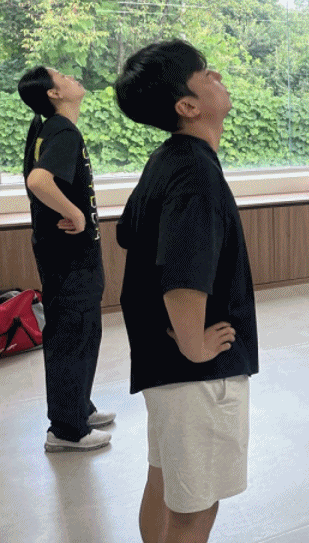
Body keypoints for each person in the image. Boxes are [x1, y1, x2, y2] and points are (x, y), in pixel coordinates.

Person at [114, 40, 259, 543]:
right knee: (195, 507)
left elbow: (129, 232)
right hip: (195, 372)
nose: (217, 75)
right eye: (205, 73)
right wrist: (195, 345)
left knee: (165, 481)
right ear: (188, 106)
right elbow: (183, 272)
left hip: (161, 364)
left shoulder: (168, 159)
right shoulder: (196, 172)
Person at [17, 66, 115, 452]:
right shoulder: (61, 131)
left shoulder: (52, 129)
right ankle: (67, 430)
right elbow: (38, 181)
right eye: (61, 76)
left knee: (81, 331)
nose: (72, 77)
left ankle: (76, 408)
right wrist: (74, 213)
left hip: (66, 254)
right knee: (72, 334)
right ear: (54, 94)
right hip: (70, 257)